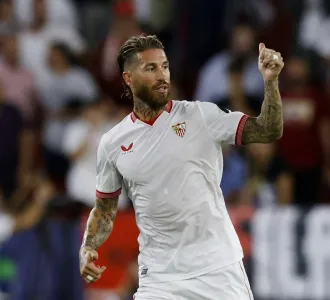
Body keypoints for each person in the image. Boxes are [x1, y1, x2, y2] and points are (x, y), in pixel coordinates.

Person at [79, 34, 284, 299]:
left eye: (165, 66)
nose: (162, 75)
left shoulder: (201, 115)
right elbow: (105, 211)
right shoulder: (112, 143)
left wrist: (271, 82)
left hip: (217, 270)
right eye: (151, 68)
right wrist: (88, 246)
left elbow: (268, 130)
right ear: (129, 79)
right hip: (160, 278)